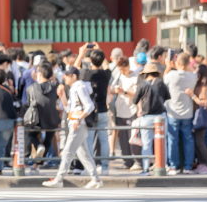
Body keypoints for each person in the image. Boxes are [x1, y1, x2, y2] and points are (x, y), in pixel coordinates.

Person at [43, 66, 103, 189]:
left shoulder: (79, 87)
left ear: (74, 76)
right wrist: (62, 96)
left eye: (67, 75)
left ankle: (59, 179)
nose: (64, 77)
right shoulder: (74, 88)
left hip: (78, 124)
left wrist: (78, 119)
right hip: (76, 123)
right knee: (83, 154)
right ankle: (96, 179)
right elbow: (69, 109)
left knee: (67, 152)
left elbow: (89, 106)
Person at [75, 44, 111, 175]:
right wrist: (100, 50)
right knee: (104, 140)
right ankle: (105, 167)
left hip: (89, 112)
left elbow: (74, 69)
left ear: (90, 60)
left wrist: (80, 53)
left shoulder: (86, 73)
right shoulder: (106, 74)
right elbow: (106, 66)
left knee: (88, 139)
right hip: (103, 111)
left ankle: (89, 168)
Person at [129, 63, 170, 175]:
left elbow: (134, 100)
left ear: (145, 74)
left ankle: (146, 168)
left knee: (146, 144)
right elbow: (167, 97)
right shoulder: (161, 83)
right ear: (156, 73)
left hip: (146, 117)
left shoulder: (142, 85)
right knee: (162, 143)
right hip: (160, 117)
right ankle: (162, 166)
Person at [164, 53, 196, 175]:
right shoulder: (192, 76)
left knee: (172, 140)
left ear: (177, 63)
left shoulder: (172, 75)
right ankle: (188, 167)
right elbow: (194, 71)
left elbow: (164, 78)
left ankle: (173, 167)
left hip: (173, 112)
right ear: (188, 64)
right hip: (187, 113)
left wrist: (168, 65)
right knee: (188, 139)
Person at [25, 62, 61, 175]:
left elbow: (29, 102)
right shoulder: (55, 86)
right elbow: (49, 85)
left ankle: (38, 149)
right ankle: (36, 166)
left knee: (32, 135)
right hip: (52, 119)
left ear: (39, 74)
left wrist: (37, 80)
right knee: (47, 142)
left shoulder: (31, 87)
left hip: (36, 119)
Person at [110, 58, 141, 170]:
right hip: (120, 110)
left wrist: (125, 92)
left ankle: (137, 161)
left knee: (133, 138)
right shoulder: (119, 76)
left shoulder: (135, 77)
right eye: (120, 69)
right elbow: (112, 90)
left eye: (124, 69)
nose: (122, 71)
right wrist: (116, 91)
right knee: (123, 139)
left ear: (128, 66)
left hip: (132, 110)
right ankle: (127, 161)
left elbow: (138, 94)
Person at [187, 64, 207, 174]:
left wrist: (192, 95)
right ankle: (202, 163)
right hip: (196, 116)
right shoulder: (199, 84)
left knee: (200, 142)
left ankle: (206, 164)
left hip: (200, 117)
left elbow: (204, 103)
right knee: (197, 141)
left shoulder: (204, 87)